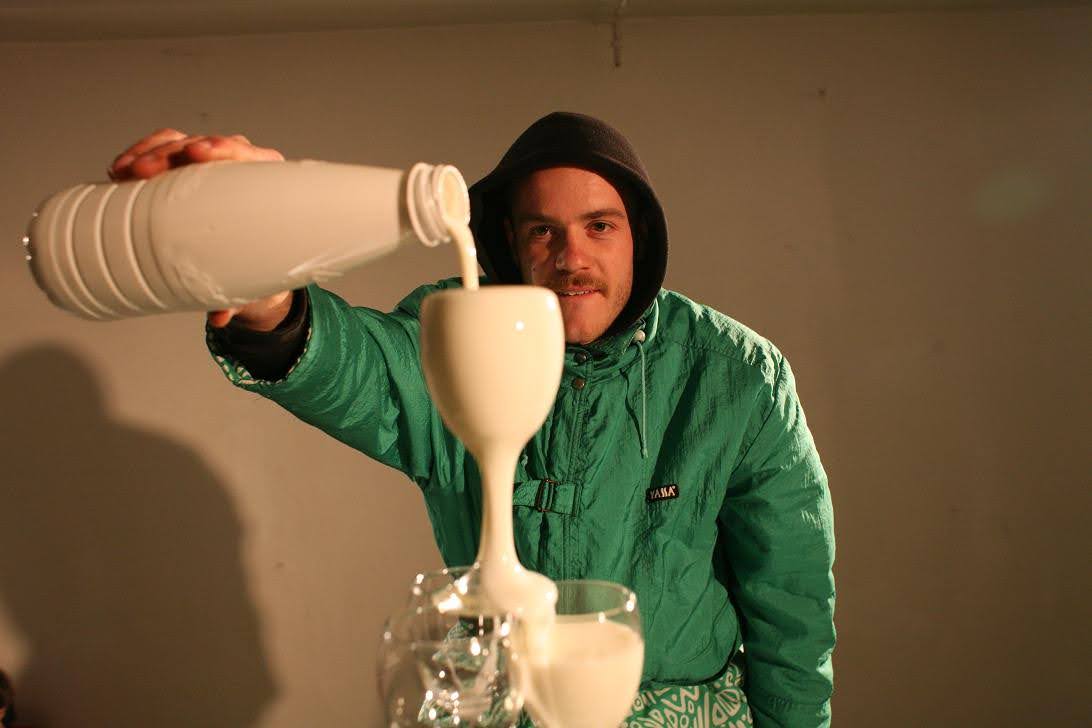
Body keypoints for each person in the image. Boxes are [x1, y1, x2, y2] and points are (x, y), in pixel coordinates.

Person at [110, 112, 836, 727]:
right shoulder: (463, 332)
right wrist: (270, 300)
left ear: (638, 236)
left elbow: (791, 600)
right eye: (544, 231)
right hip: (498, 704)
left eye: (599, 226)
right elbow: (362, 369)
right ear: (509, 242)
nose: (572, 258)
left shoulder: (735, 373)